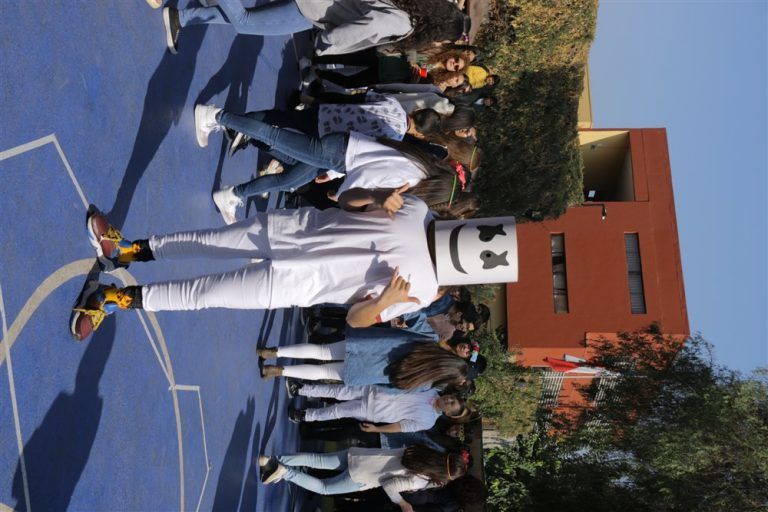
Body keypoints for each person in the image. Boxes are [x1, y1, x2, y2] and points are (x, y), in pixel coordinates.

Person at [70, 202, 519, 342]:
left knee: (202, 294)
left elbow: (355, 319)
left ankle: (114, 299)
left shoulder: (421, 291)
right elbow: (349, 195)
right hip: (291, 232)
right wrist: (377, 197)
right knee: (204, 241)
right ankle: (126, 250)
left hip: (294, 285)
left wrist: (385, 302)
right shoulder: (416, 208)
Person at [193, 104, 451, 224]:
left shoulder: (416, 160)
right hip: (339, 153)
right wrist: (342, 192)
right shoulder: (410, 177)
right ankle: (216, 116)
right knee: (275, 136)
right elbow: (370, 173)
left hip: (339, 143)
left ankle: (232, 195)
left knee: (289, 177)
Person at [162, 0, 468, 56]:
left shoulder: (411, 6)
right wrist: (325, 43)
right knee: (245, 23)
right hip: (312, 10)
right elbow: (361, 29)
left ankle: (182, 18)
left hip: (317, 5)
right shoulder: (403, 24)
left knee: (250, 18)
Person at [257, 445, 470, 511]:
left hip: (361, 456)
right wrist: (403, 504)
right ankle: (286, 472)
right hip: (363, 477)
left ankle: (273, 459)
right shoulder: (420, 480)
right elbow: (390, 487)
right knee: (324, 488)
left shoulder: (422, 451)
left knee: (316, 459)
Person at [259, 332, 469, 389]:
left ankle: (273, 351)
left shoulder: (430, 341)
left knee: (323, 351)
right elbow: (392, 388)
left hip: (371, 345)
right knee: (323, 372)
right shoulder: (425, 382)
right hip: (368, 372)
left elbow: (414, 320)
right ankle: (278, 371)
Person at [287, 384, 467, 433]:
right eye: (452, 398)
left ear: (449, 414)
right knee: (337, 390)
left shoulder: (428, 422)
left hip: (374, 411)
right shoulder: (430, 388)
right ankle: (301, 388)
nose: (449, 399)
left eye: (451, 404)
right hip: (374, 389)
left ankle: (304, 415)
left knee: (337, 411)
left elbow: (400, 427)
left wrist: (377, 429)